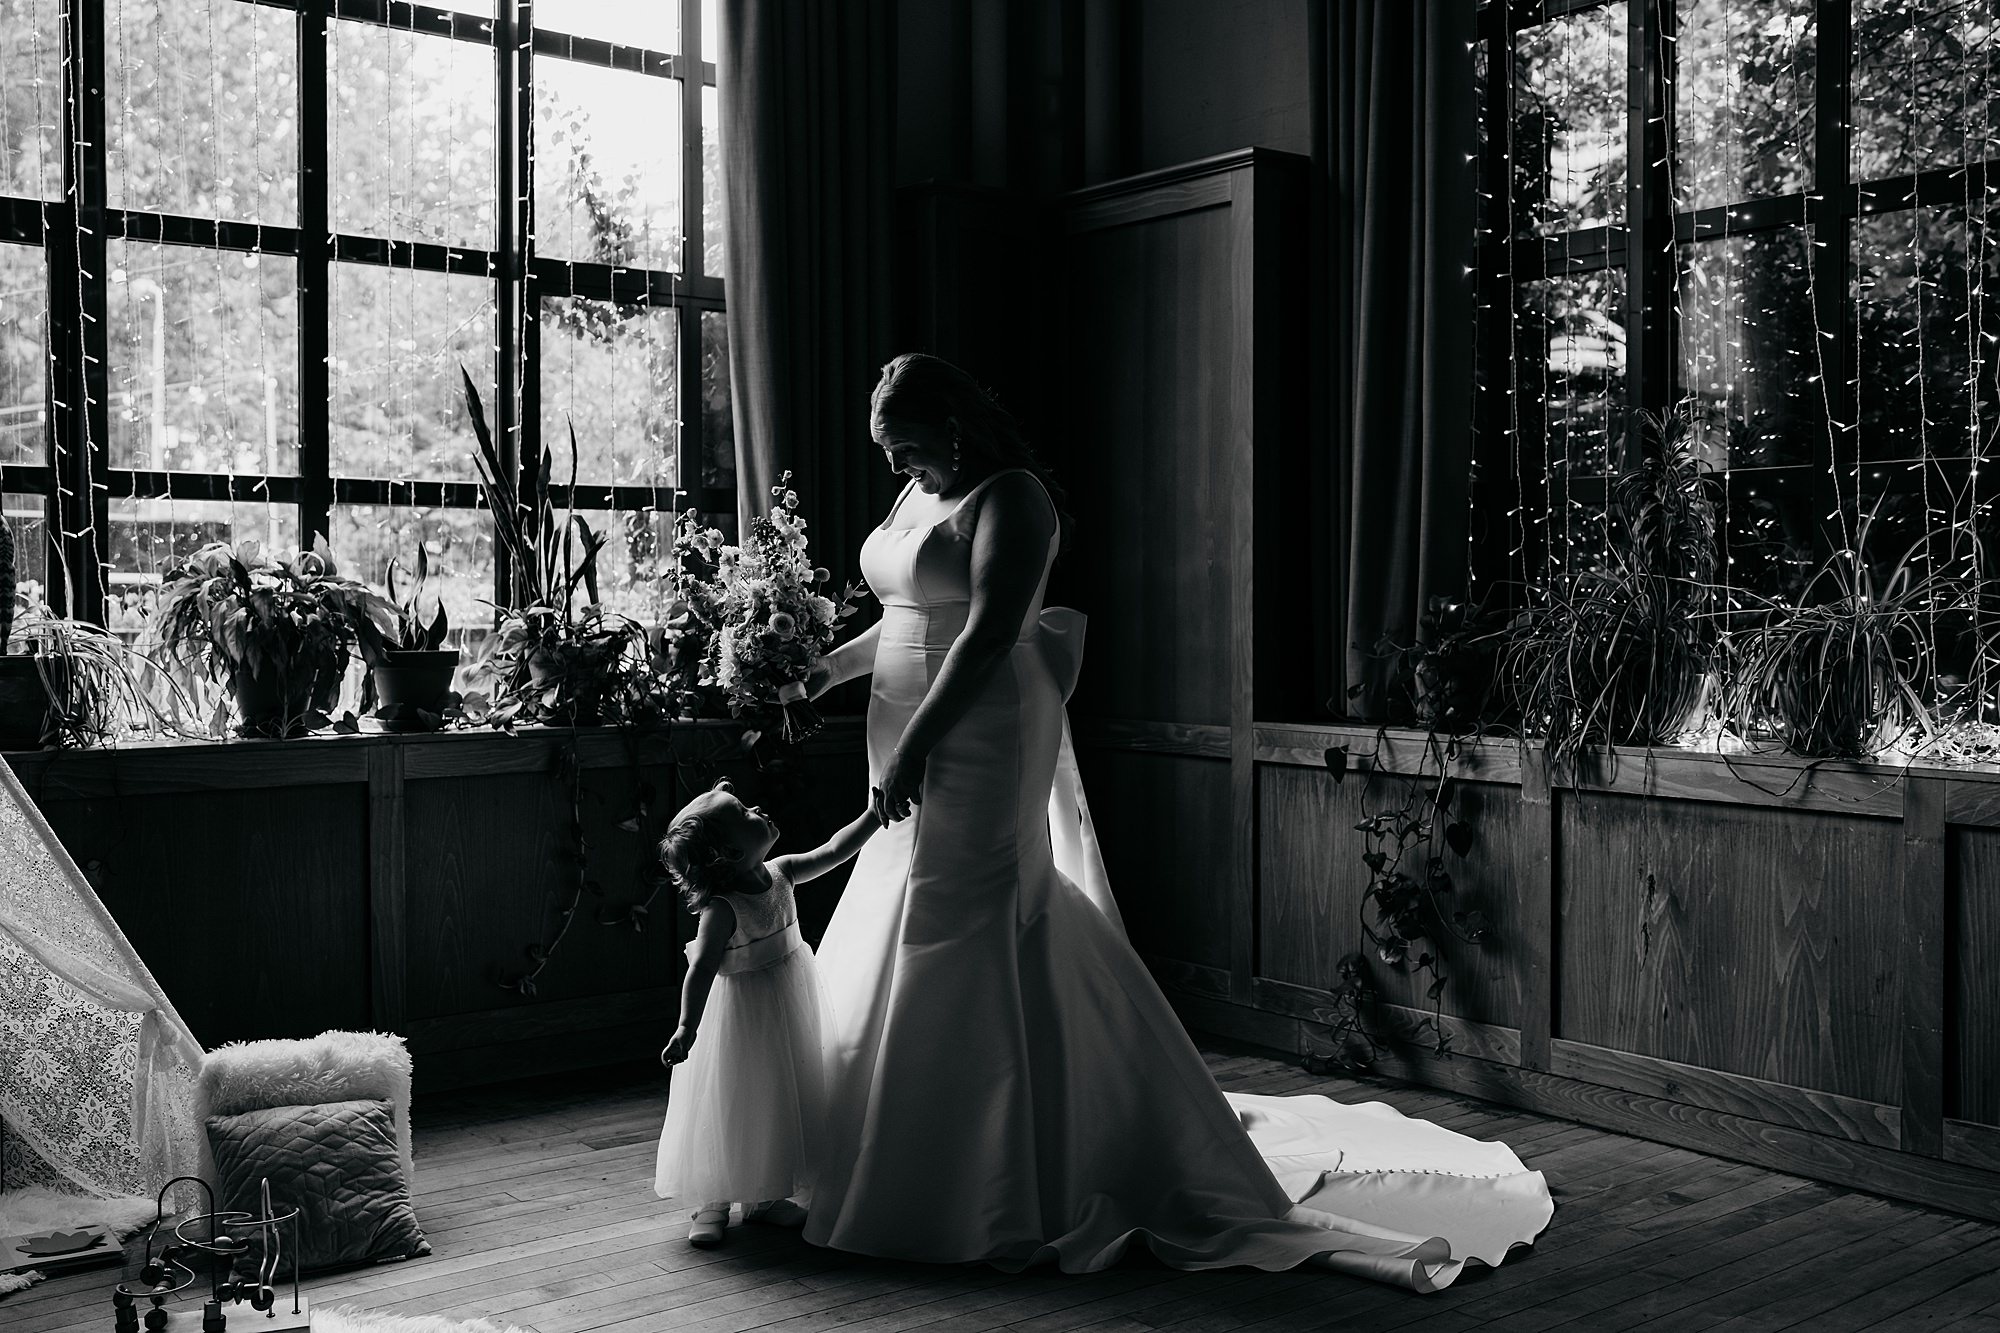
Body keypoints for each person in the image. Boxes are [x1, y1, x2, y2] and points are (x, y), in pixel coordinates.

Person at [797, 352, 1553, 1292]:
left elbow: (987, 632)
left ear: (952, 427)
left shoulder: (1012, 498)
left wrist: (918, 744)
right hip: (902, 720)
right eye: (887, 451)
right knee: (896, 889)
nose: (895, 467)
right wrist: (826, 672)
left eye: (906, 446)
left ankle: (1009, 1158)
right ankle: (887, 1137)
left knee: (970, 900)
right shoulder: (918, 493)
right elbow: (906, 615)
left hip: (983, 725)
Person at [653, 778, 879, 1248]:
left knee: (777, 1098)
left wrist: (874, 817)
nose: (757, 808)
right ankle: (713, 1200)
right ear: (731, 852)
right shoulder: (722, 909)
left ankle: (766, 1196)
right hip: (743, 1019)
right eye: (744, 812)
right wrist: (686, 1027)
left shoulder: (782, 872)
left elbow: (835, 850)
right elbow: (701, 970)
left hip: (790, 1007)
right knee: (734, 1100)